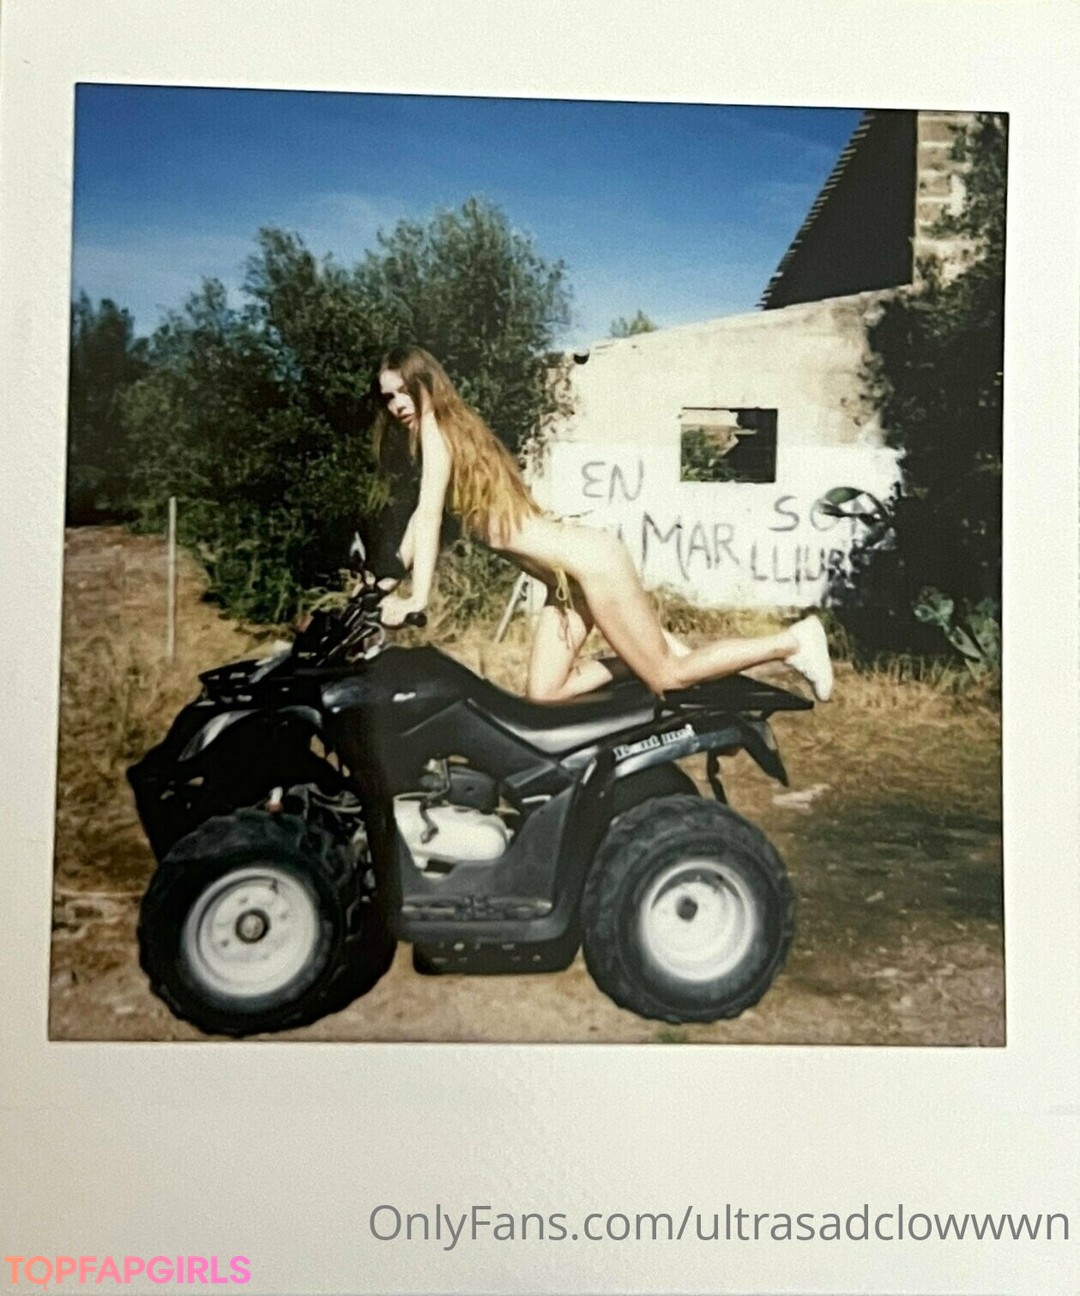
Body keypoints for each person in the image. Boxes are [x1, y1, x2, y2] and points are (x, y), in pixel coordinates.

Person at [371, 345, 833, 705]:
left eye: (403, 390)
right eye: (388, 397)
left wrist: (418, 597)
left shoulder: (436, 428)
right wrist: (379, 587)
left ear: (426, 382)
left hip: (590, 564)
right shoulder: (445, 433)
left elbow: (428, 515)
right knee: (545, 695)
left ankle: (791, 641)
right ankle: (638, 660)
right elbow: (420, 523)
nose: (396, 404)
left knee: (669, 676)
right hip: (567, 583)